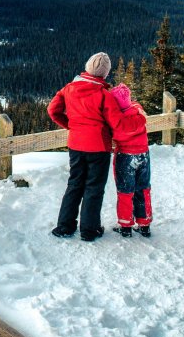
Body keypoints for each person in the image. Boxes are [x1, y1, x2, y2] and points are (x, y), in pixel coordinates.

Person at [46, 52, 144, 242]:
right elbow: (119, 124)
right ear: (105, 74)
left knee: (74, 184)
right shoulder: (103, 95)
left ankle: (64, 227)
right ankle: (89, 230)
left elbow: (53, 110)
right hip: (98, 147)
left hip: (76, 144)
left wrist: (71, 126)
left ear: (87, 68)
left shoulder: (69, 88)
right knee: (94, 187)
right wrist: (139, 117)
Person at [108, 82, 151, 237]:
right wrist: (135, 106)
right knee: (143, 188)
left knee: (125, 191)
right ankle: (144, 224)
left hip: (125, 157)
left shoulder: (116, 120)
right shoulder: (139, 114)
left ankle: (126, 226)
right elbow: (136, 105)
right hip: (143, 155)